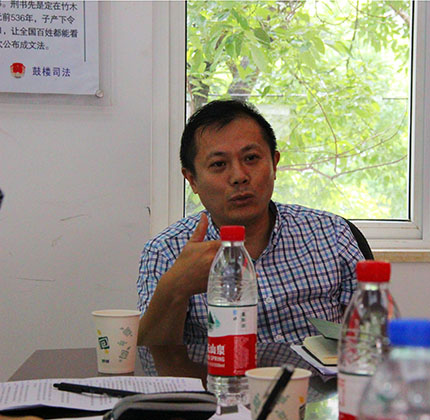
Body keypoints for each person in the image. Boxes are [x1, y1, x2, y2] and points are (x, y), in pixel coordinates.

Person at [137, 99, 364, 346]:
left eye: (251, 158)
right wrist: (175, 287)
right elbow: (149, 355)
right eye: (219, 164)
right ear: (192, 179)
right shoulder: (166, 251)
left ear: (274, 164)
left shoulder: (331, 233)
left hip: (316, 372)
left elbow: (372, 337)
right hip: (220, 372)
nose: (239, 176)